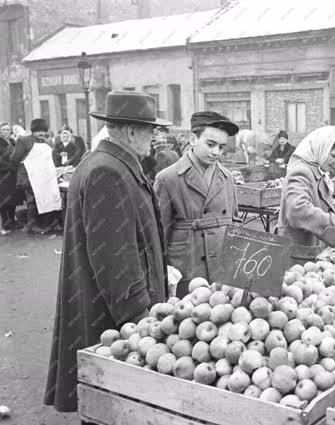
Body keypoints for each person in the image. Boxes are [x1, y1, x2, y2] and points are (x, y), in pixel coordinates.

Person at [44, 91, 169, 413]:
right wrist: (140, 320)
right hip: (111, 316)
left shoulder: (108, 163)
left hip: (104, 308)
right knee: (110, 404)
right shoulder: (108, 171)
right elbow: (116, 261)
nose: (154, 138)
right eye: (150, 131)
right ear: (130, 131)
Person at [154, 111, 241, 297]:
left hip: (221, 271)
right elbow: (158, 236)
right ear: (193, 139)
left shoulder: (227, 178)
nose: (216, 152)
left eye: (222, 147)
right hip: (188, 268)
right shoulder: (168, 178)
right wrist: (165, 274)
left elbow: (236, 225)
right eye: (210, 144)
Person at [278, 126, 335, 265]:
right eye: (334, 156)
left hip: (310, 253)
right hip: (297, 257)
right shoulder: (301, 171)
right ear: (321, 149)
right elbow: (297, 210)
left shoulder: (316, 170)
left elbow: (317, 204)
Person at [10, 118, 61, 233]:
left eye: (43, 131)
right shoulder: (23, 141)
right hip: (28, 177)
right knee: (32, 200)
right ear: (32, 131)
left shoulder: (48, 142)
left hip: (44, 177)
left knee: (46, 198)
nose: (41, 133)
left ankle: (45, 223)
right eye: (38, 131)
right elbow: (14, 159)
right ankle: (31, 225)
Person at [0, 122, 19, 231]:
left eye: (8, 129)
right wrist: (10, 166)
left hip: (13, 175)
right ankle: (5, 222)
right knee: (3, 200)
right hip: (3, 175)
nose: (6, 132)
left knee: (13, 199)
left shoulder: (13, 142)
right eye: (4, 130)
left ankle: (12, 220)